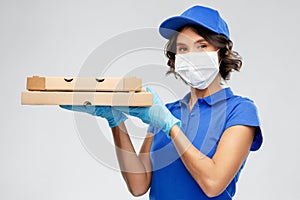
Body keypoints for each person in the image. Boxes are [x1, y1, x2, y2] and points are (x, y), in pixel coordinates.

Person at [60, 5, 263, 199]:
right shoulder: (167, 110)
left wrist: (171, 127)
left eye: (202, 46)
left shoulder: (239, 110)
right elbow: (139, 185)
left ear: (220, 52)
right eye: (183, 49)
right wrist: (116, 121)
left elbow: (213, 183)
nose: (192, 56)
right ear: (175, 58)